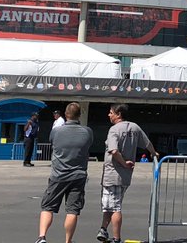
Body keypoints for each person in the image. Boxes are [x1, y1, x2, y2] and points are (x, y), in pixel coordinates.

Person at [97, 103, 158, 243]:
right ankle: (103, 229)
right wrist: (154, 153)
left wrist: (123, 163)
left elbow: (113, 151)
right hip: (125, 176)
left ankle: (116, 237)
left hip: (113, 174)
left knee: (114, 206)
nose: (109, 115)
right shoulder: (135, 127)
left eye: (111, 112)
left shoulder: (114, 130)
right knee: (110, 204)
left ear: (118, 114)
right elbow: (147, 143)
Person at [34, 102, 93, 243]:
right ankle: (68, 240)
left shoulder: (57, 131)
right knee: (72, 210)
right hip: (78, 175)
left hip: (58, 174)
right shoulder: (87, 132)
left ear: (66, 115)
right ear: (79, 115)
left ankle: (42, 236)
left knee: (47, 207)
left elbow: (52, 141)